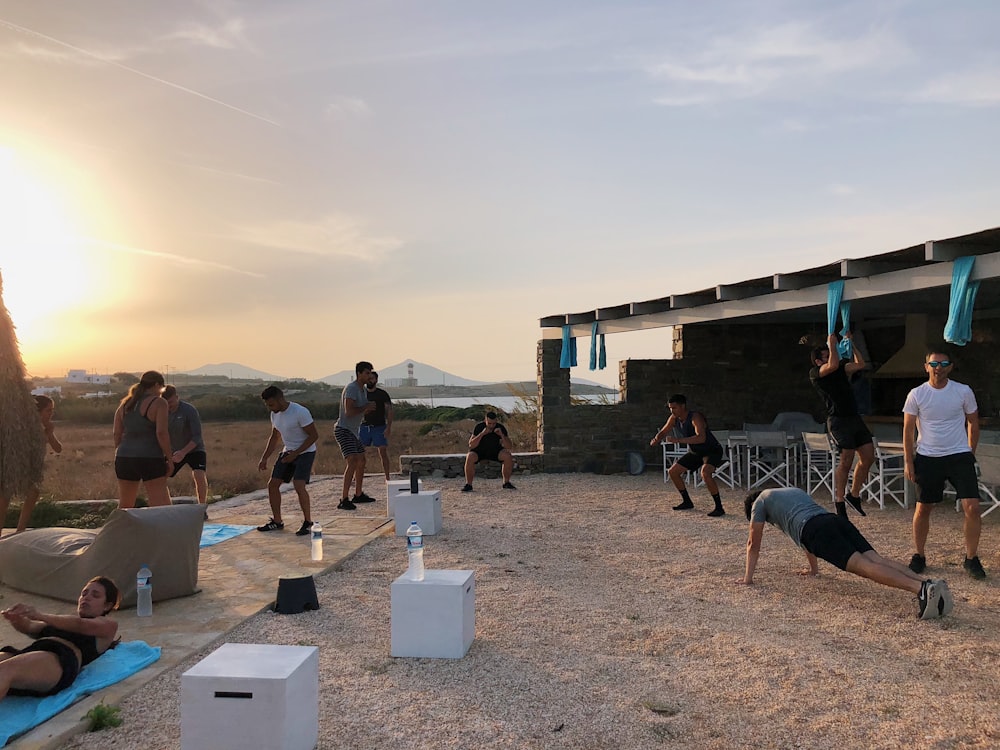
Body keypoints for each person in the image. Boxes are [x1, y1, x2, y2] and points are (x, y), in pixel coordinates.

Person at [738, 488, 952, 620]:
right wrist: (813, 569)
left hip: (816, 531)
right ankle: (928, 583)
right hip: (833, 520)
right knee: (876, 559)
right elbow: (804, 534)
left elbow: (752, 542)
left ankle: (920, 589)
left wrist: (748, 578)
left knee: (864, 567)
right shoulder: (791, 492)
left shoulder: (760, 503)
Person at [903, 347, 986, 580]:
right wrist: (909, 462)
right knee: (923, 507)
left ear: (949, 367)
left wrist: (970, 451)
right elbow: (908, 430)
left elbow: (973, 423)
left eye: (943, 364)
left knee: (973, 507)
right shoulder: (917, 394)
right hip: (928, 457)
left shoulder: (963, 391)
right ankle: (919, 555)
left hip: (959, 455)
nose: (938, 368)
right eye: (933, 364)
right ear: (926, 366)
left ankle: (971, 558)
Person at [0, 576, 120, 700]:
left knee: (4, 670)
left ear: (107, 606)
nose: (87, 597)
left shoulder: (108, 625)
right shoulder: (62, 622)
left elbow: (81, 625)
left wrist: (40, 615)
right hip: (33, 653)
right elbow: (30, 627)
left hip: (60, 659)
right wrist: (16, 619)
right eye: (84, 593)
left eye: (95, 595)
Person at [809, 332, 873, 518]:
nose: (831, 356)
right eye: (827, 356)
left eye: (831, 353)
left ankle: (853, 495)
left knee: (868, 457)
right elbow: (834, 364)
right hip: (838, 420)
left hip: (854, 418)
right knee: (846, 459)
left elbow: (860, 364)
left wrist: (851, 345)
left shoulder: (841, 368)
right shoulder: (816, 373)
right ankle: (839, 500)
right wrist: (831, 345)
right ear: (819, 361)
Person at [649, 394, 725, 517]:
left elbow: (701, 438)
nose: (672, 411)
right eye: (670, 408)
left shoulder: (695, 417)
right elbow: (664, 430)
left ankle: (719, 507)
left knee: (705, 473)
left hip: (712, 450)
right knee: (673, 472)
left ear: (683, 406)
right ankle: (687, 501)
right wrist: (656, 439)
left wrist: (678, 440)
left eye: (674, 408)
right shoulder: (674, 418)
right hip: (696, 452)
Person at [257, 386, 318, 535]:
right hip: (288, 451)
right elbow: (274, 437)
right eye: (267, 405)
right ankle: (277, 521)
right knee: (272, 485)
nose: (270, 408)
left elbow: (313, 436)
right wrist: (264, 458)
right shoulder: (274, 414)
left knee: (299, 484)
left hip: (305, 452)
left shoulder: (300, 412)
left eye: (271, 404)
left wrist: (296, 453)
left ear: (280, 399)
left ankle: (308, 522)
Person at [0, 395, 63, 535]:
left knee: (32, 493)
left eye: (52, 410)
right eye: (48, 410)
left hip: (29, 468)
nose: (51, 414)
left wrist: (49, 433)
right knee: (5, 496)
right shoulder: (23, 427)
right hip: (13, 466)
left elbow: (58, 448)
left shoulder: (46, 427)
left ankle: (21, 529)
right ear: (37, 412)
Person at [113, 371, 173, 509]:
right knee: (160, 505)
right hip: (150, 457)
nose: (161, 392)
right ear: (157, 385)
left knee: (125, 505)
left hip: (124, 457)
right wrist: (169, 459)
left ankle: (119, 530)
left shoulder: (124, 404)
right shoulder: (159, 403)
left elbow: (117, 433)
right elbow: (162, 433)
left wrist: (120, 452)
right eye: (162, 389)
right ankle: (163, 530)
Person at [334, 362, 378, 510]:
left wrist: (368, 409)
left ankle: (358, 494)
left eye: (370, 373)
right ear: (359, 373)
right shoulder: (352, 389)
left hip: (353, 430)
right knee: (352, 460)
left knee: (362, 460)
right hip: (344, 429)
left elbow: (359, 412)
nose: (369, 375)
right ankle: (344, 498)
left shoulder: (363, 390)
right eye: (366, 373)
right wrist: (365, 407)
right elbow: (349, 412)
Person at [162, 385, 209, 506]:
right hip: (173, 451)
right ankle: (166, 507)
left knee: (199, 474)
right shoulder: (161, 412)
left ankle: (202, 507)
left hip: (194, 448)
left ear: (177, 397)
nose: (169, 405)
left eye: (171, 402)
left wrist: (183, 452)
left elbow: (197, 436)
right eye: (166, 403)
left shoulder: (189, 410)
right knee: (160, 477)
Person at [462, 411, 516, 492]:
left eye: (494, 423)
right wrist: (482, 434)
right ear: (485, 420)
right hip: (479, 452)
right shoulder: (479, 427)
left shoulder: (500, 428)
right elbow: (471, 445)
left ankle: (506, 483)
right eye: (489, 423)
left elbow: (509, 446)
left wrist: (502, 435)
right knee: (470, 456)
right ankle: (468, 484)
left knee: (507, 456)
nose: (492, 426)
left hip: (495, 451)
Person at [360, 371, 394, 482]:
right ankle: (357, 476)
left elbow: (389, 410)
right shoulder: (361, 393)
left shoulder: (382, 394)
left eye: (372, 378)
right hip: (364, 426)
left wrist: (388, 427)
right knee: (359, 452)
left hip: (379, 426)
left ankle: (387, 477)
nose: (370, 380)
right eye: (368, 378)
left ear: (376, 380)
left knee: (383, 452)